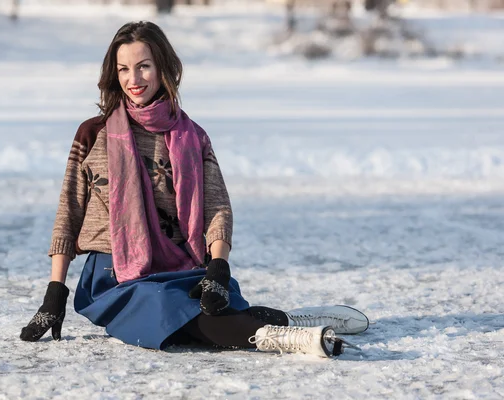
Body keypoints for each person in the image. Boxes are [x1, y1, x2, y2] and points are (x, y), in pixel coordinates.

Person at [19, 21, 369, 357]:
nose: (133, 79)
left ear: (164, 69)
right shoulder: (93, 134)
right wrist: (55, 293)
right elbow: (69, 211)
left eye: (143, 66)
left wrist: (218, 268)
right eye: (123, 69)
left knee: (200, 311)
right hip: (115, 274)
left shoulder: (192, 136)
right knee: (166, 311)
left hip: (178, 262)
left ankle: (289, 326)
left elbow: (217, 207)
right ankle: (289, 336)